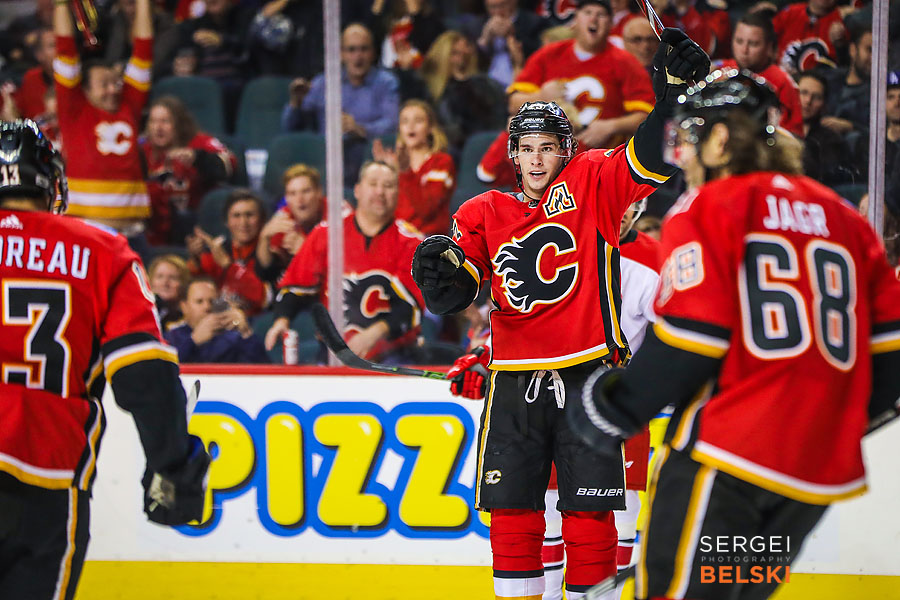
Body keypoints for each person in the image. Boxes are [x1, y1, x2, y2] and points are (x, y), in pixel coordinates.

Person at [569, 70, 900, 600]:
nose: (686, 156)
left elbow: (694, 334)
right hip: (811, 475)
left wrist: (615, 405)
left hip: (727, 454)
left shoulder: (712, 204)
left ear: (720, 140)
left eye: (691, 138)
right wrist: (820, 425)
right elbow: (890, 361)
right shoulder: (845, 218)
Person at [410, 29, 710, 600]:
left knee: (588, 520)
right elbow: (460, 290)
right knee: (514, 515)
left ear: (564, 149)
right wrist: (443, 285)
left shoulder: (593, 180)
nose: (538, 158)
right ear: (513, 155)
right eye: (528, 148)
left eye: (549, 146)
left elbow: (649, 156)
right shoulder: (482, 211)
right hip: (515, 379)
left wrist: (669, 99)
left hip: (588, 375)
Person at [0, 119, 210, 600]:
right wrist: (173, 466)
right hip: (44, 472)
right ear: (52, 183)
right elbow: (143, 376)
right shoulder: (102, 251)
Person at [266, 161, 425, 363]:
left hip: (393, 355)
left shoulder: (412, 242)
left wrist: (373, 334)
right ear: (357, 190)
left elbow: (411, 305)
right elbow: (295, 286)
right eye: (373, 184)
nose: (380, 192)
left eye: (388, 186)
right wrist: (282, 319)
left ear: (398, 193)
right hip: (333, 351)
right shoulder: (327, 233)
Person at [53, 0, 154, 256]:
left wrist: (143, 4)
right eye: (103, 84)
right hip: (85, 231)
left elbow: (143, 52)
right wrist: (60, 6)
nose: (112, 89)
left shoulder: (129, 104)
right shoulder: (74, 109)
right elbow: (65, 50)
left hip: (132, 232)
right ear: (84, 90)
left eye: (114, 82)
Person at [507, 0, 655, 150]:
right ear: (575, 20)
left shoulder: (626, 62)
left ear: (611, 24)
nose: (593, 19)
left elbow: (647, 115)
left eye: (601, 14)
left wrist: (611, 126)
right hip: (549, 155)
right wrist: (540, 96)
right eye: (587, 13)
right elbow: (513, 102)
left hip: (603, 158)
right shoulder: (548, 55)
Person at [281, 23, 400, 187]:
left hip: (365, 157)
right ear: (341, 54)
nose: (358, 57)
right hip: (326, 159)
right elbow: (289, 129)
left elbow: (392, 123)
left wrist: (360, 129)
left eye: (363, 49)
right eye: (351, 50)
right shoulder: (324, 82)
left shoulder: (386, 83)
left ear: (373, 53)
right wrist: (296, 102)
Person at [142, 95, 237, 246]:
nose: (157, 128)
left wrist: (198, 158)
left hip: (196, 225)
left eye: (165, 121)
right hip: (155, 227)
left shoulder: (199, 143)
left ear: (179, 123)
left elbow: (230, 164)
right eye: (153, 121)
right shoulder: (143, 150)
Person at [373, 99, 456, 236]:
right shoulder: (395, 164)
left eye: (418, 121)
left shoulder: (441, 162)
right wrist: (385, 173)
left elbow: (427, 210)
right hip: (395, 237)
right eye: (405, 121)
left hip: (427, 241)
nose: (410, 126)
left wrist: (404, 172)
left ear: (430, 128)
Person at [421, 30, 507, 158]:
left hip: (492, 145)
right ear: (444, 56)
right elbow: (449, 129)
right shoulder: (433, 91)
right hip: (457, 150)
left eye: (464, 51)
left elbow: (500, 113)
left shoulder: (485, 83)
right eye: (455, 53)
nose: (461, 57)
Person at [717, 13, 803, 138]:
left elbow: (792, 137)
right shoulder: (720, 71)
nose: (744, 50)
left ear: (769, 47)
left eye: (753, 44)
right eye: (739, 41)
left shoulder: (783, 82)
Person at [186, 189, 270, 316]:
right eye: (236, 215)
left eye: (250, 215)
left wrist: (228, 266)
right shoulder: (216, 251)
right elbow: (193, 291)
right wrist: (196, 260)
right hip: (215, 323)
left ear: (262, 220)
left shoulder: (269, 254)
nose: (243, 222)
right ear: (226, 221)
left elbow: (265, 298)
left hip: (254, 324)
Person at [165, 277, 270, 363]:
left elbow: (261, 369)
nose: (207, 307)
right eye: (199, 301)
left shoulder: (233, 337)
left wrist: (246, 333)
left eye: (212, 301)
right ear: (184, 306)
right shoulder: (172, 337)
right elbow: (165, 370)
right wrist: (193, 341)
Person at [256, 164, 325, 286]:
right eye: (292, 193)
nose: (300, 199)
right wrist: (264, 238)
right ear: (286, 197)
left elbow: (345, 266)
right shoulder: (283, 217)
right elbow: (267, 267)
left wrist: (306, 249)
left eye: (306, 191)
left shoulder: (337, 215)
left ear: (319, 192)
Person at [459, 0, 546, 89]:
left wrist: (513, 34)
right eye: (492, 7)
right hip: (485, 87)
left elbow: (539, 55)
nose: (498, 11)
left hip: (523, 82)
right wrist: (484, 40)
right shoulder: (474, 26)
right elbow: (468, 62)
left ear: (513, 2)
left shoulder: (534, 22)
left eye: (502, 5)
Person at [796, 70, 855, 186]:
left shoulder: (832, 142)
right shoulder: (777, 131)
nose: (808, 101)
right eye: (803, 93)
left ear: (824, 104)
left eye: (816, 97)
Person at [771, 0, 847, 73]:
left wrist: (841, 46)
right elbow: (767, 40)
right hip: (781, 77)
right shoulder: (790, 12)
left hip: (821, 82)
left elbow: (843, 64)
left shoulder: (841, 21)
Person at [149, 253, 192, 330]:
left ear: (184, 283)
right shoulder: (143, 313)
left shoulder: (190, 316)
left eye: (173, 278)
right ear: (151, 282)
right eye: (159, 277)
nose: (165, 283)